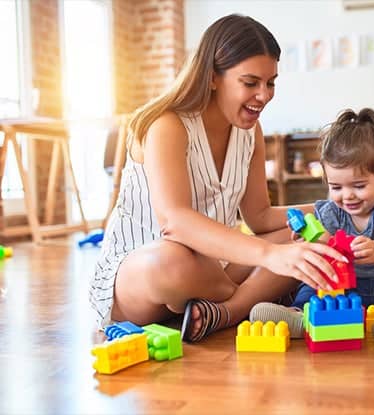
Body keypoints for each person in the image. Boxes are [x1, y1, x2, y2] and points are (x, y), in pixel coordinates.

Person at [88, 14, 347, 343]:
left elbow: (260, 217)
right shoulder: (168, 125)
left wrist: (331, 209)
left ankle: (223, 312)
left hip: (214, 268)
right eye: (250, 82)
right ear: (212, 77)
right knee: (173, 259)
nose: (264, 95)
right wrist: (271, 258)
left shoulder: (250, 134)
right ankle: (246, 301)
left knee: (316, 236)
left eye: (271, 83)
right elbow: (175, 222)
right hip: (144, 278)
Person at [250, 108, 374, 353]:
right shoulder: (329, 211)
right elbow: (328, 243)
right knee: (311, 281)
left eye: (359, 186)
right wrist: (309, 236)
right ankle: (301, 316)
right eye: (336, 187)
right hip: (346, 290)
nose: (347, 195)